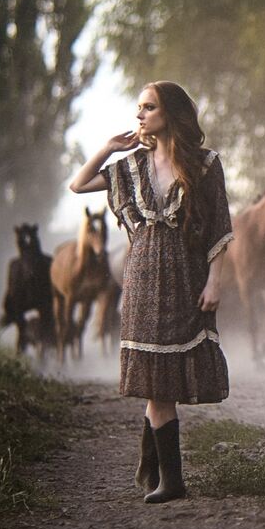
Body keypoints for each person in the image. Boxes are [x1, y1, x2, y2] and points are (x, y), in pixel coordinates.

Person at [69, 81, 233, 503]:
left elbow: (219, 227)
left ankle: (160, 472)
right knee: (155, 384)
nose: (139, 115)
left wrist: (215, 280)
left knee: (165, 383)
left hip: (186, 278)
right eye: (138, 107)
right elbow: (79, 185)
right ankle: (167, 478)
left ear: (170, 113)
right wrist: (109, 148)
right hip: (141, 280)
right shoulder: (130, 167)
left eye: (149, 107)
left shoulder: (205, 164)